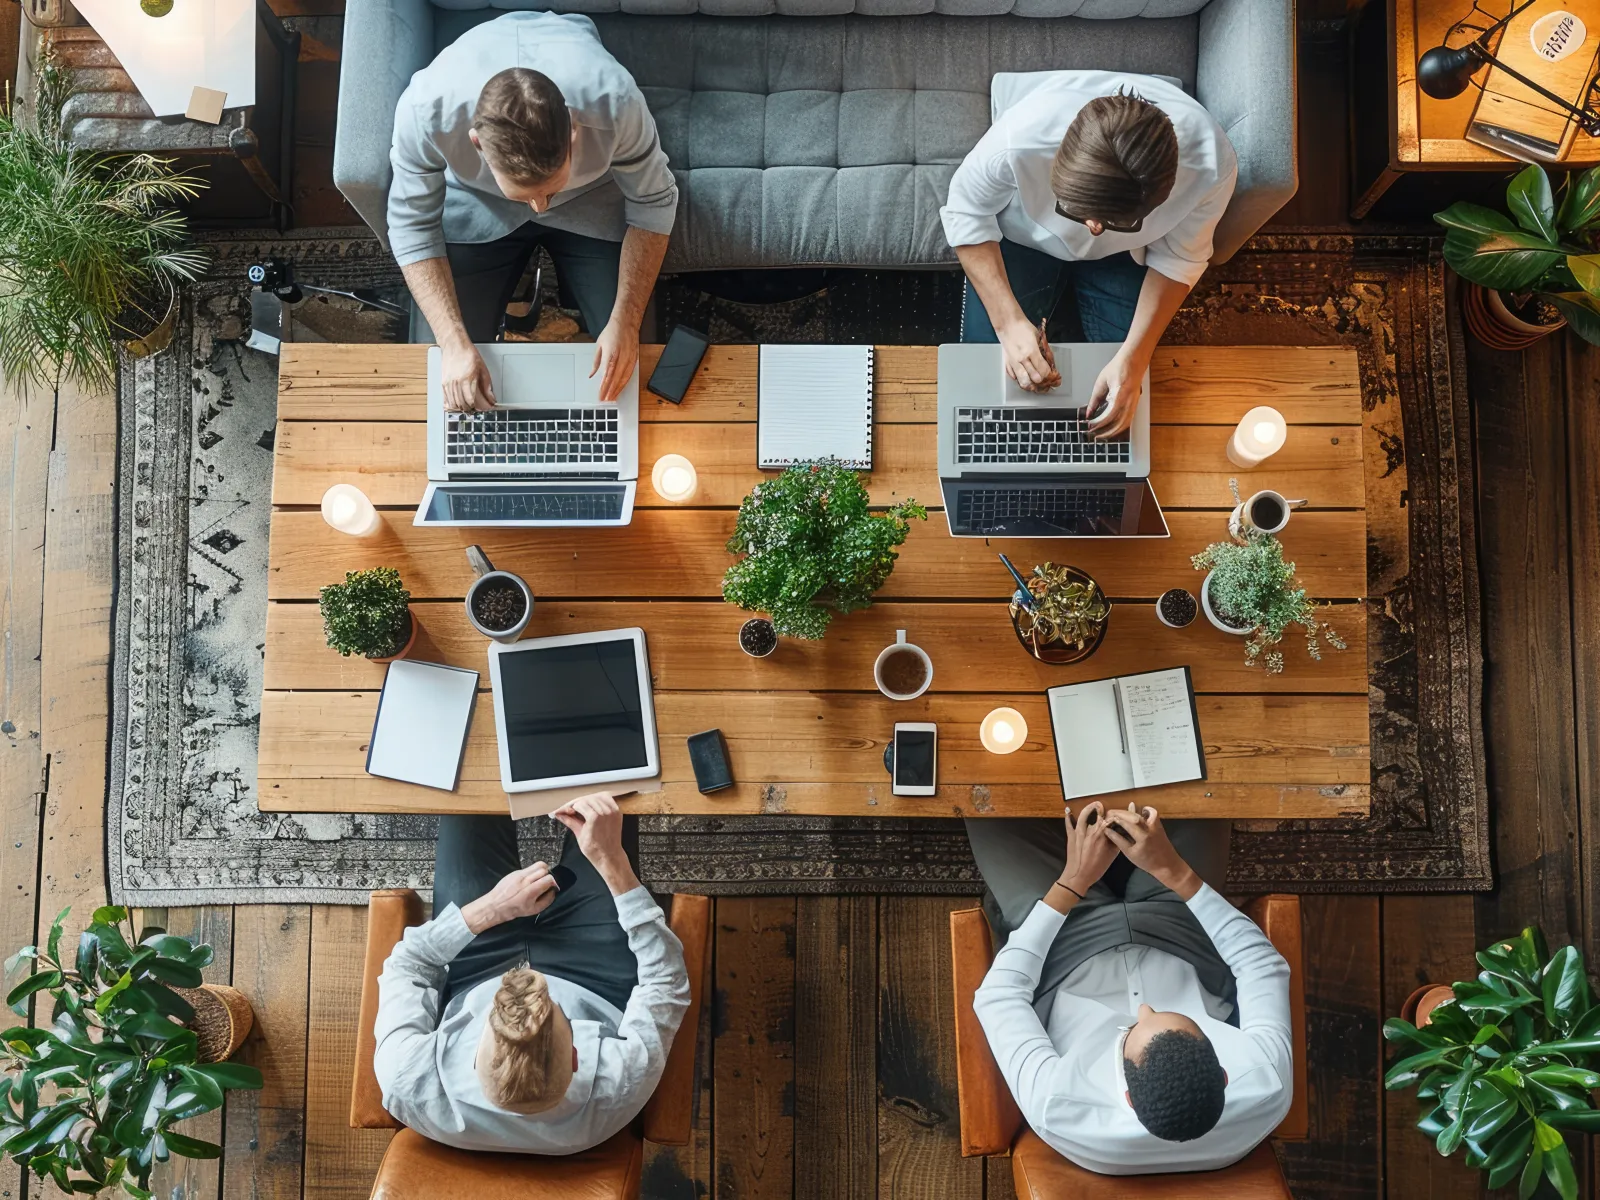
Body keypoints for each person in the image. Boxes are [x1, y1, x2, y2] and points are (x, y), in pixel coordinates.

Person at [966, 802, 1292, 1175]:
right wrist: (1175, 871)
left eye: (1130, 1032)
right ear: (1222, 1074)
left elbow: (999, 996)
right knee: (1203, 786)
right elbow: (1261, 967)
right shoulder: (1266, 1084)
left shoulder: (1059, 1105)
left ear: (1126, 1098)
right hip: (1180, 928)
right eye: (1178, 1015)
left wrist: (1071, 883)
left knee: (987, 801)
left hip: (1064, 944)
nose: (1144, 1009)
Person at [388, 11, 678, 412]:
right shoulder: (425, 111)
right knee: (442, 373)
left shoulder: (616, 101)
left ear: (574, 130)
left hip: (591, 198)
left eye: (549, 190)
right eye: (527, 194)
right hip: (478, 204)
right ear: (476, 144)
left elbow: (654, 201)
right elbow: (411, 226)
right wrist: (454, 344)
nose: (541, 207)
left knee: (633, 364)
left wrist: (625, 324)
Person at [372, 792, 690, 1152]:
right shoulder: (615, 1087)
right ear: (575, 1058)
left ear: (473, 1054)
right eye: (556, 1013)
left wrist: (492, 908)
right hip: (594, 974)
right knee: (606, 806)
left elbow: (409, 963)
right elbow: (666, 982)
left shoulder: (408, 1078)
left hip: (476, 967)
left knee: (465, 794)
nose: (529, 985)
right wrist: (611, 860)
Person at [940, 72, 1238, 439]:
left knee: (1123, 395)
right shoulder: (1019, 139)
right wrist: (1008, 324)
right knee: (984, 373)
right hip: (1022, 235)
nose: (1093, 231)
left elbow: (1179, 259)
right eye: (1074, 209)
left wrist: (1135, 359)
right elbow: (965, 213)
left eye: (1114, 221)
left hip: (1122, 256)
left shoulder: (1211, 168)